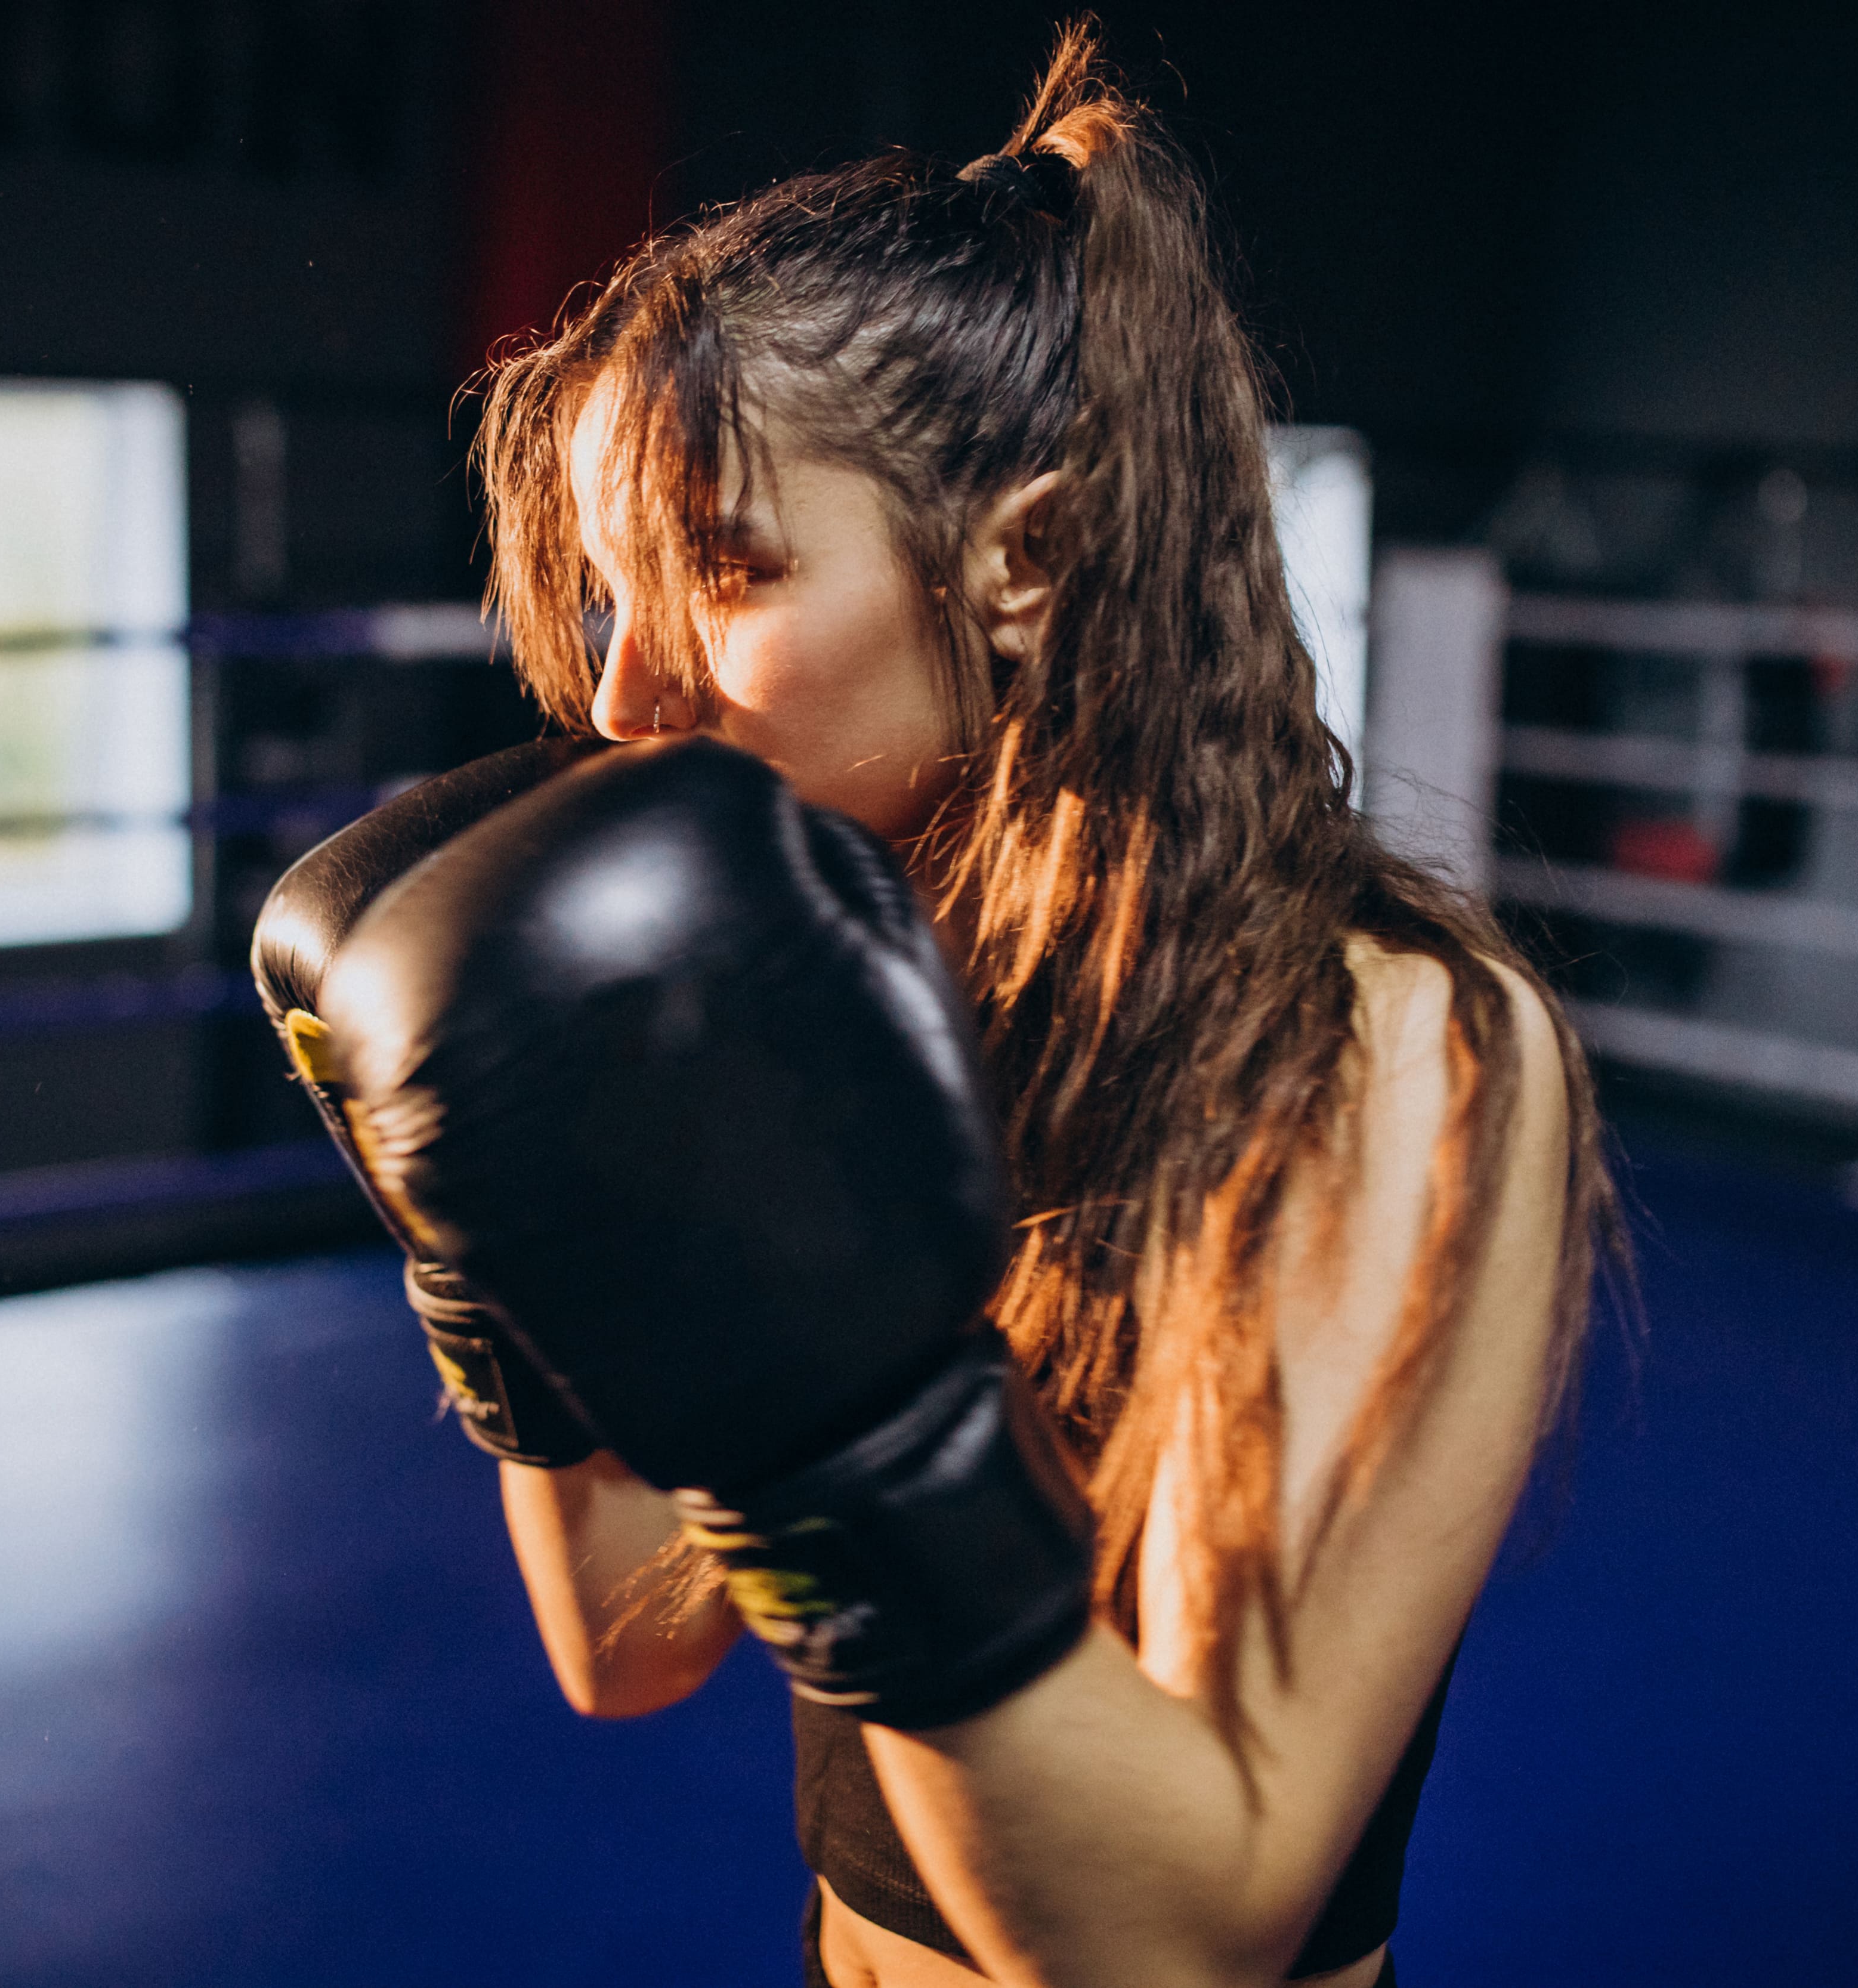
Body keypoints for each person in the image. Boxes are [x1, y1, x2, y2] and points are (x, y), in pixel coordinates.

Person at [261, 24, 1616, 1988]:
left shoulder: (1374, 1042)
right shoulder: (841, 978)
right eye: (612, 590)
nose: (628, 700)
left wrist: (851, 1441)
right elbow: (628, 1645)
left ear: (1027, 561)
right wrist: (491, 1279)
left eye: (722, 569)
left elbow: (1180, 1948)